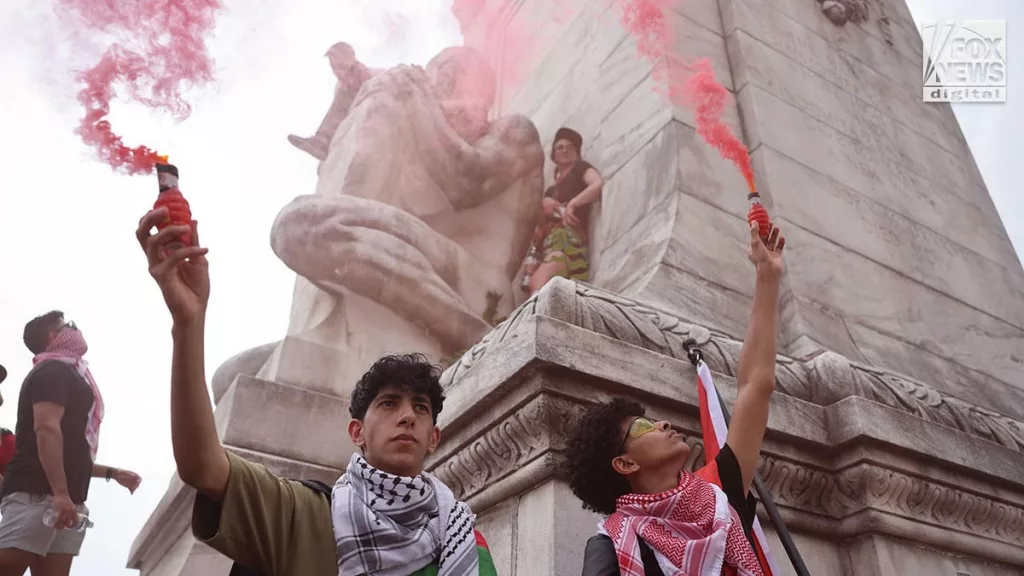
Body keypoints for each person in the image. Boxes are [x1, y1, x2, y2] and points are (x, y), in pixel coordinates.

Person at [135, 208, 499, 576]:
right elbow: (201, 467)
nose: (407, 416)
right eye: (389, 404)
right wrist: (188, 323)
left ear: (433, 437)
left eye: (420, 408)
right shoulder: (305, 514)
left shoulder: (464, 539)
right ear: (357, 431)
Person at [567, 221, 786, 576]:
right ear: (625, 464)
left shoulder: (717, 492)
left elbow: (756, 386)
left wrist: (767, 276)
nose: (663, 424)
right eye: (642, 427)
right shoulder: (613, 546)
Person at [0, 312, 142, 576]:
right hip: (40, 494)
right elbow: (46, 429)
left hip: (64, 499)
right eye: (70, 326)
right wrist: (60, 494)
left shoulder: (70, 374)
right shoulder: (53, 370)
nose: (77, 331)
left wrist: (112, 473)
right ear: (55, 337)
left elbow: (69, 452)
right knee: (9, 565)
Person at [525, 127, 604, 294]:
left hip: (567, 241)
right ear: (553, 154)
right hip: (549, 243)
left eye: (570, 147)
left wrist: (573, 204)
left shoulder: (580, 169)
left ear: (577, 153)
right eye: (560, 147)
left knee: (541, 282)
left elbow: (596, 184)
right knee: (539, 283)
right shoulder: (551, 190)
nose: (565, 150)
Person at [288, 42, 374, 160]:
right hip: (351, 109)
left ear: (347, 60)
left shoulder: (360, 72)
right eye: (333, 67)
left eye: (338, 65)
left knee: (340, 103)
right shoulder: (343, 83)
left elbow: (368, 91)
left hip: (362, 105)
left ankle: (323, 142)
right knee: (338, 105)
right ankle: (322, 141)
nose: (336, 71)